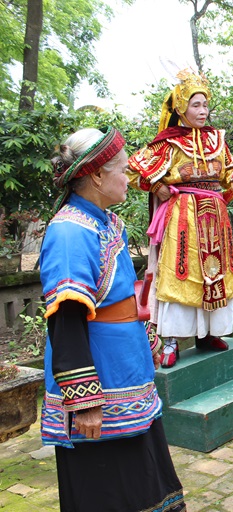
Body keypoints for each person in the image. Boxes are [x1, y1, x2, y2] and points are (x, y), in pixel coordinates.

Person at [41, 128, 185, 511]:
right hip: (101, 382)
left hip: (124, 366)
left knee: (142, 470)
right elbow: (66, 317)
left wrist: (146, 339)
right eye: (123, 169)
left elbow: (119, 298)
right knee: (106, 484)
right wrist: (83, 398)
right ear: (97, 176)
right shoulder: (72, 231)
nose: (131, 176)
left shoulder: (102, 220)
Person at [127, 69, 233, 368]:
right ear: (181, 107)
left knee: (216, 273)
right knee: (180, 272)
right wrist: (157, 186)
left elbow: (229, 171)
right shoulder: (167, 142)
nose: (202, 110)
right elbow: (134, 168)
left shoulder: (216, 139)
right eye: (196, 105)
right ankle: (172, 340)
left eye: (205, 104)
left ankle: (210, 333)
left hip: (214, 214)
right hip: (183, 215)